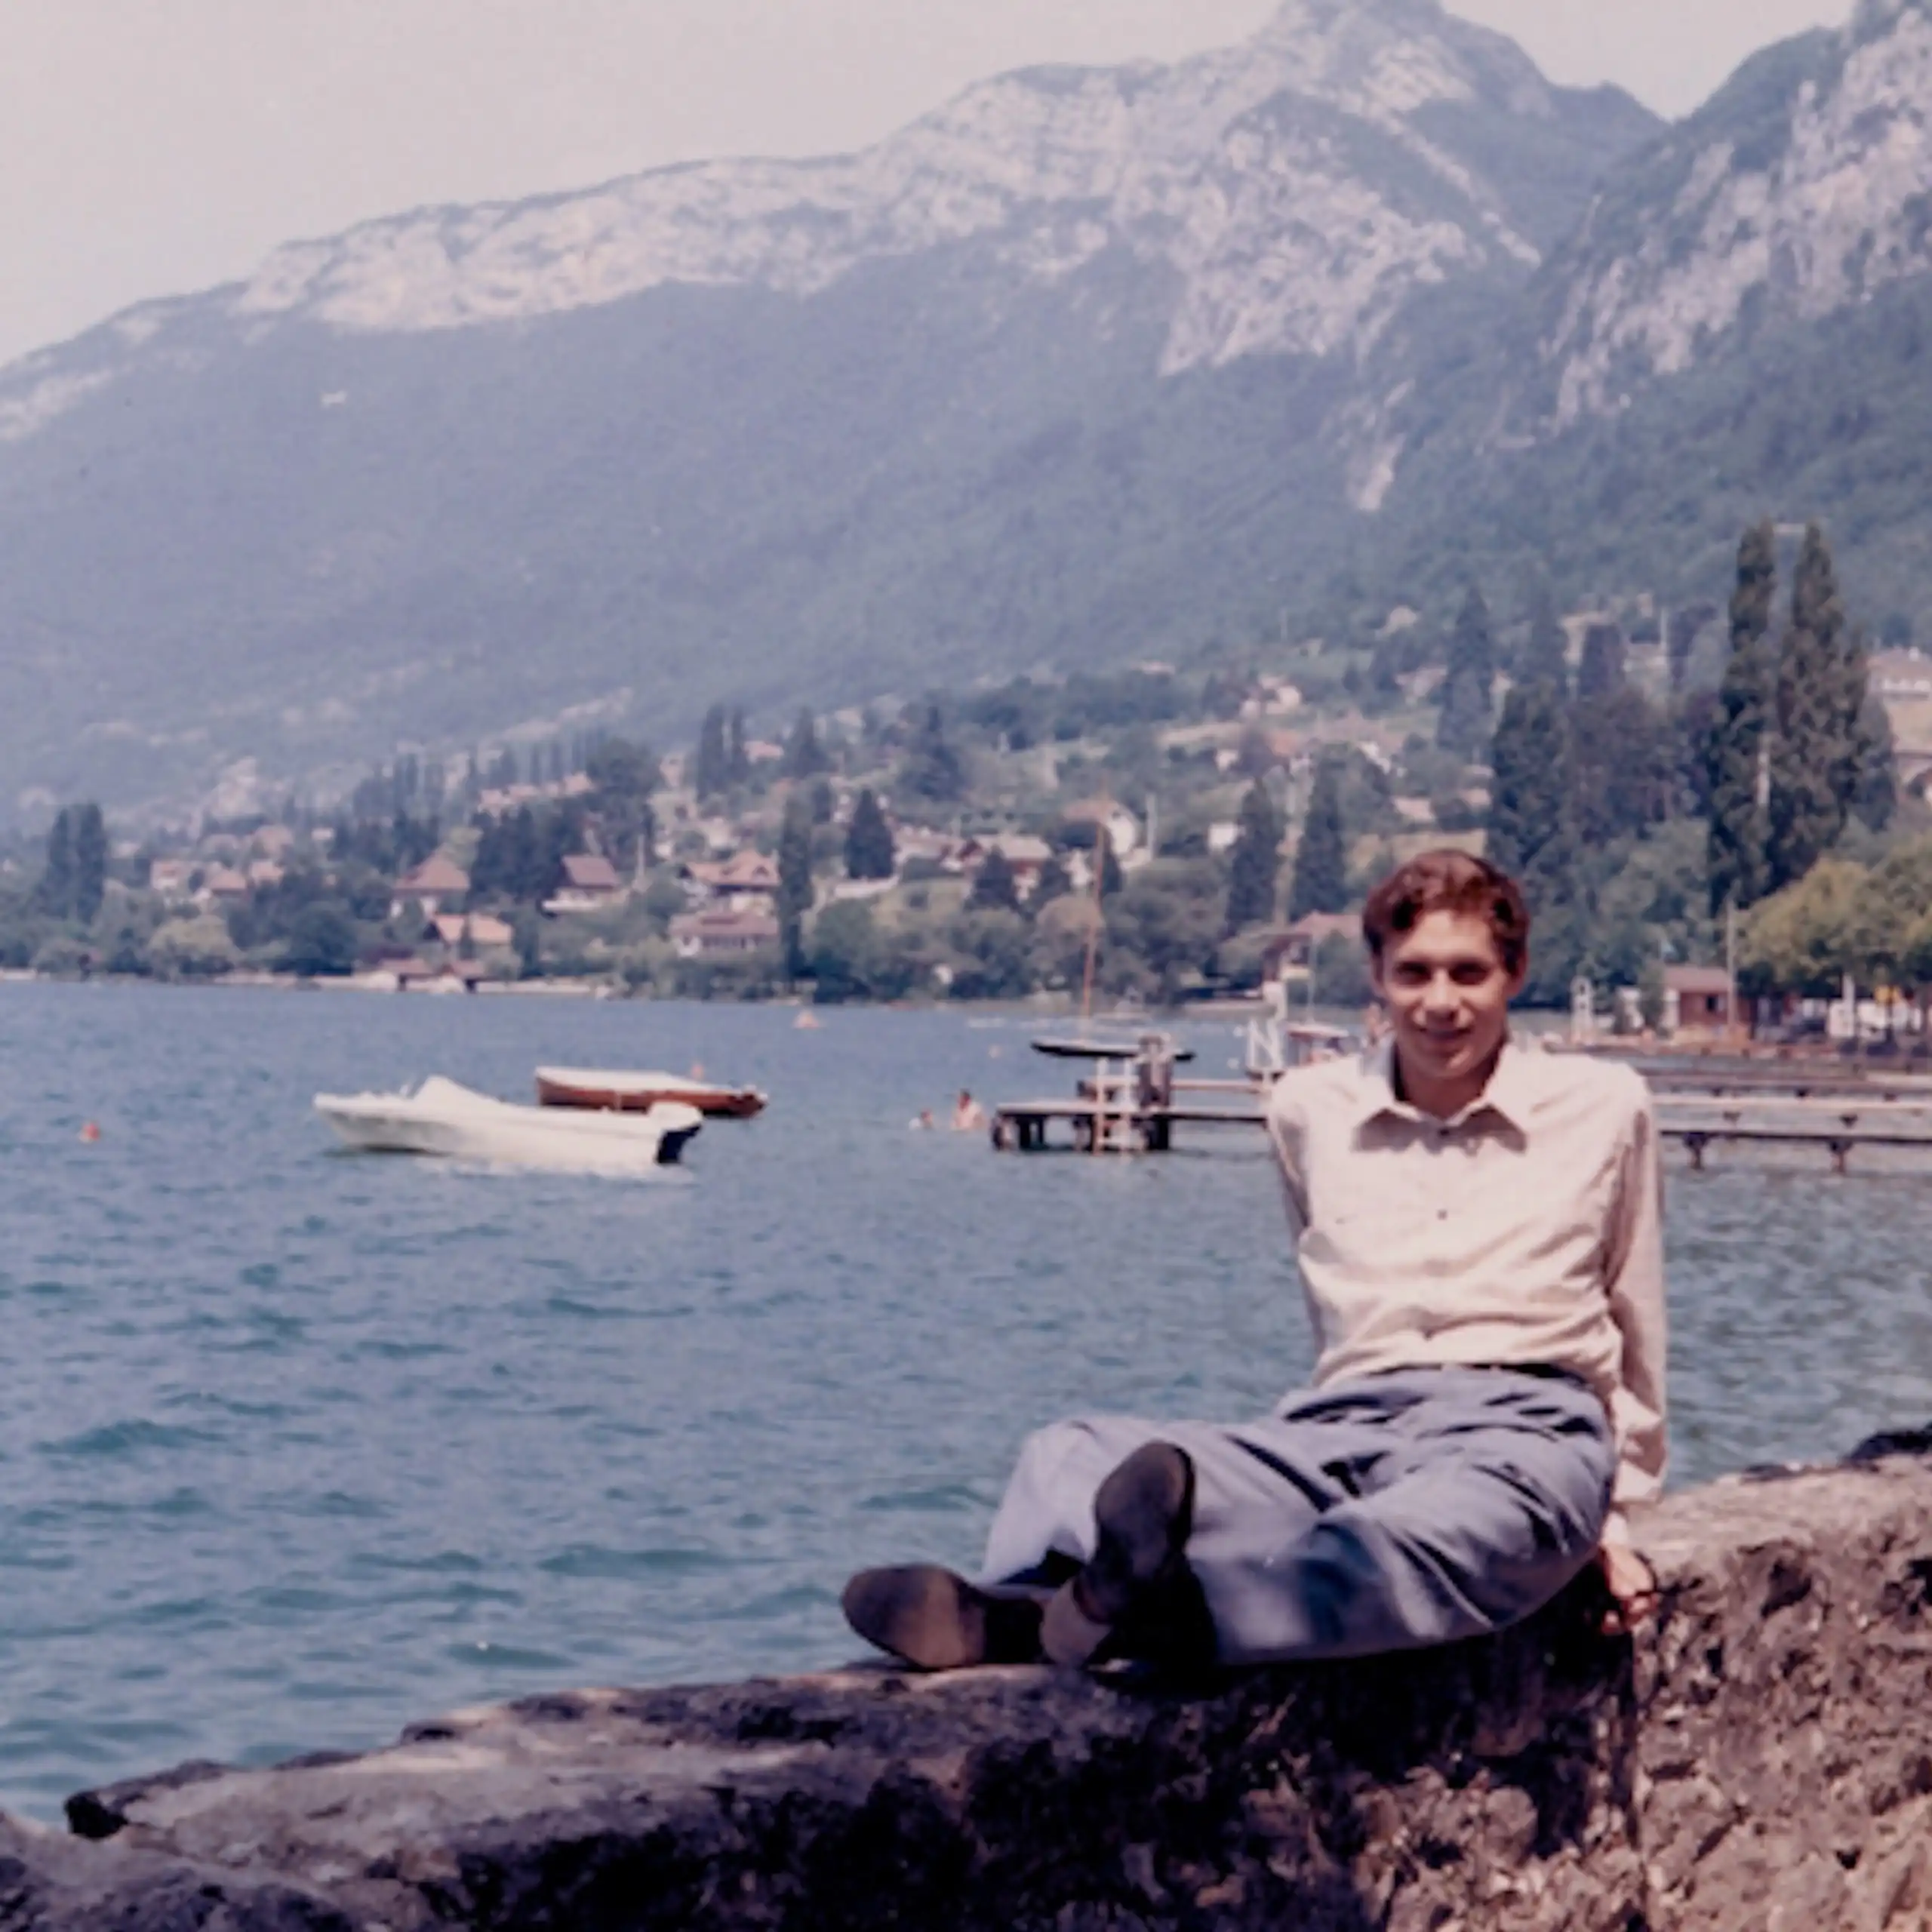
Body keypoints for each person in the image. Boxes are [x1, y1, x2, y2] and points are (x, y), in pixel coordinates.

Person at [844, 850, 1663, 1672]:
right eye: (1414, 973)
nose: (1440, 1001)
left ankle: (1147, 1618)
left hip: (1523, 1432)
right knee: (1070, 1451)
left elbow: (1635, 1318)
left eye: (1468, 973)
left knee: (1424, 1533)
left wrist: (1613, 1519)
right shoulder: (1309, 1111)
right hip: (1340, 1425)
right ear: (1377, 976)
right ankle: (1040, 1602)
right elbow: (1331, 1311)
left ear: (1514, 973)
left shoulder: (1601, 1105)